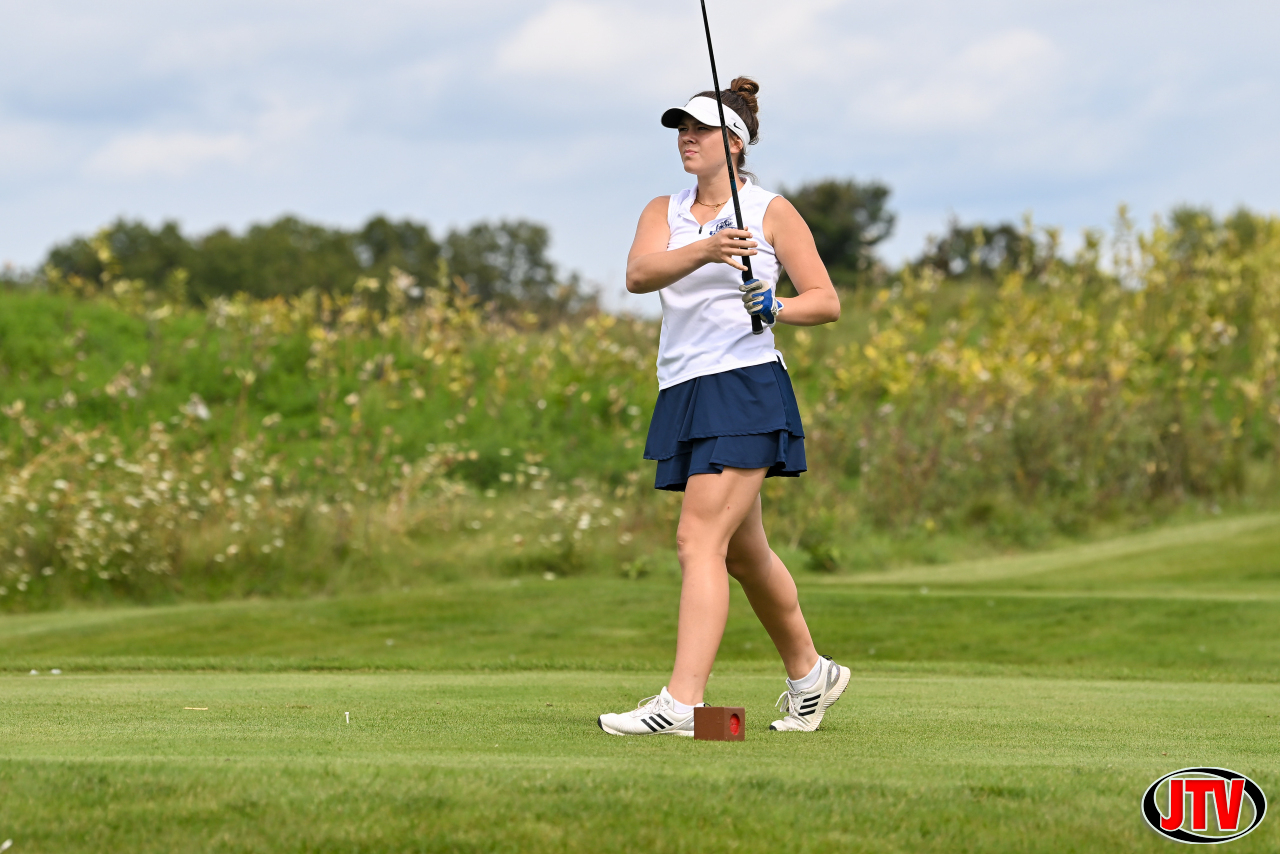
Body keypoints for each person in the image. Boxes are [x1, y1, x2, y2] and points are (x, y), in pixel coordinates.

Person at [597, 78, 846, 736]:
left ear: (734, 143)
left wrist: (777, 306)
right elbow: (638, 275)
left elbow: (825, 300)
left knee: (698, 540)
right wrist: (707, 247)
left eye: (700, 129)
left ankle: (682, 703)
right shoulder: (664, 210)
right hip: (685, 388)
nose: (686, 138)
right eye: (681, 128)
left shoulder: (770, 211)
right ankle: (811, 674)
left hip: (745, 385)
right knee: (743, 554)